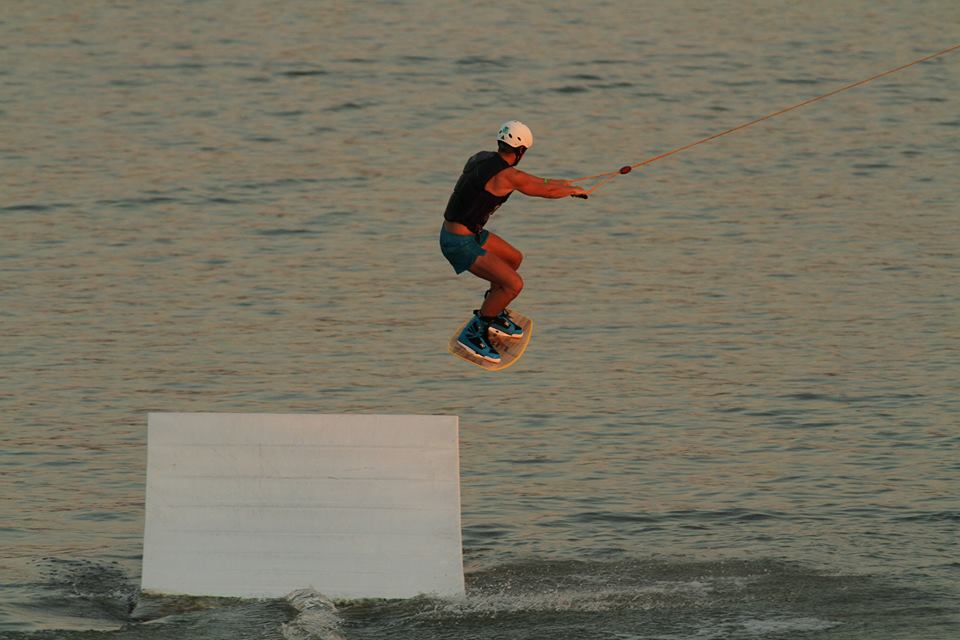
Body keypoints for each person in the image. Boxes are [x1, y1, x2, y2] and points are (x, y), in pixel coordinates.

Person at [440, 121, 588, 363]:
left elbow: (537, 182)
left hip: (468, 233)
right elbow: (543, 190)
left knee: (513, 258)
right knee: (514, 284)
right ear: (521, 151)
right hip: (458, 243)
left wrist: (565, 184)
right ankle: (475, 331)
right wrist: (570, 191)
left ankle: (493, 309)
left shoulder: (480, 157)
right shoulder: (508, 176)